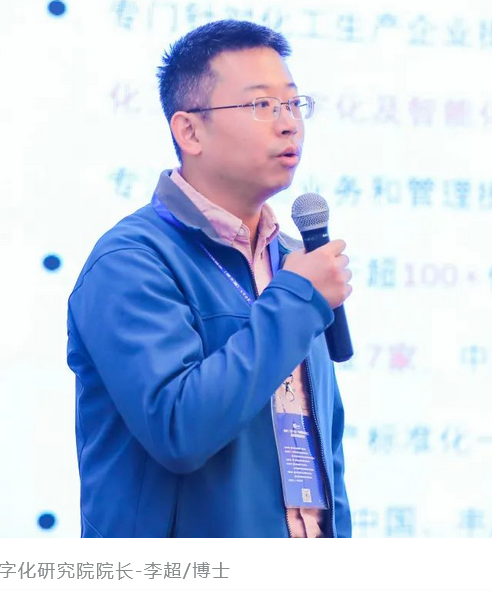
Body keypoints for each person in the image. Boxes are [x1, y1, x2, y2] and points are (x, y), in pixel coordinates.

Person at [66, 19, 353, 538]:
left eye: (293, 103)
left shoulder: (293, 259)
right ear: (189, 131)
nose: (289, 124)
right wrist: (297, 300)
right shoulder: (132, 261)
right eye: (262, 104)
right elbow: (179, 429)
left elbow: (323, 448)